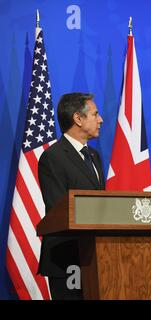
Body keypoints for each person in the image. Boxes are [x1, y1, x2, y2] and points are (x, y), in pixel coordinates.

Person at [38, 93, 104, 300]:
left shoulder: (94, 156)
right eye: (95, 114)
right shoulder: (53, 157)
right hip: (66, 259)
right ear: (78, 118)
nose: (100, 119)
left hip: (95, 257)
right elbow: (59, 210)